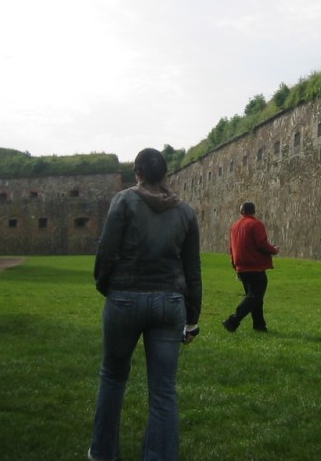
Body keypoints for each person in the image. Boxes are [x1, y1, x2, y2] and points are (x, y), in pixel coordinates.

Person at [89, 148, 202, 461]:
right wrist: (192, 317)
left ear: (137, 172)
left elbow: (106, 251)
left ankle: (103, 452)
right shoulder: (185, 212)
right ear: (165, 174)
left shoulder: (124, 201)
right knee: (163, 389)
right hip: (169, 301)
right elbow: (192, 269)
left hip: (124, 296)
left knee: (112, 377)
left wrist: (106, 286)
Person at [222, 201, 279, 333]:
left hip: (241, 267)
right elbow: (261, 243)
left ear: (241, 212)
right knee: (254, 297)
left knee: (254, 297)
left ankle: (259, 325)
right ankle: (233, 320)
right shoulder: (256, 224)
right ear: (254, 211)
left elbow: (232, 249)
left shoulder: (234, 226)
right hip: (255, 266)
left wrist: (235, 266)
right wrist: (274, 250)